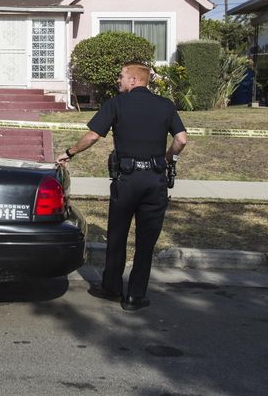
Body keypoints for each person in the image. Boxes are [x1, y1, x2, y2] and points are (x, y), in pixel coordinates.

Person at [57, 62, 187, 311]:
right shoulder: (165, 106)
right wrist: (166, 159)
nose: (118, 80)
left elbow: (93, 136)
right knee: (146, 241)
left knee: (117, 236)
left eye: (121, 76)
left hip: (126, 180)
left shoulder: (116, 104)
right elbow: (181, 139)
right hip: (155, 180)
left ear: (134, 80)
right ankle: (135, 296)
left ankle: (112, 288)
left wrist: (69, 153)